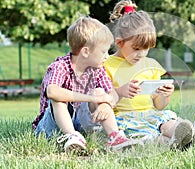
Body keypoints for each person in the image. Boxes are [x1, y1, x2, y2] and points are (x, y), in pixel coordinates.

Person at [104, 0, 195, 150]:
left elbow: (158, 105)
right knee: (149, 135)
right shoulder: (107, 65)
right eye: (136, 48)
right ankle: (175, 143)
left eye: (146, 48)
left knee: (167, 121)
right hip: (124, 117)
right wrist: (121, 92)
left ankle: (187, 133)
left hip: (150, 114)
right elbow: (103, 102)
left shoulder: (150, 65)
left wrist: (164, 95)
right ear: (120, 43)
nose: (142, 54)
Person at [32, 16, 141, 153]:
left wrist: (107, 105)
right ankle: (70, 136)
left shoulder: (98, 69)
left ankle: (115, 137)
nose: (107, 56)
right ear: (85, 52)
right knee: (59, 98)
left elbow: (110, 94)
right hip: (51, 127)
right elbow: (52, 92)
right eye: (103, 52)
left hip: (80, 124)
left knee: (100, 92)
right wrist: (93, 99)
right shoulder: (60, 67)